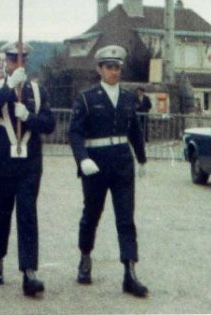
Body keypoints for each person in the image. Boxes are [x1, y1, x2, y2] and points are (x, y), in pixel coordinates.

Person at [68, 45, 149, 297]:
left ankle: (130, 272)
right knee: (92, 213)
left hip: (122, 162)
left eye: (117, 67)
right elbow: (75, 132)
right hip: (96, 163)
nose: (114, 72)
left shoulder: (127, 98)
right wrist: (82, 159)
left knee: (126, 218)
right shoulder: (87, 98)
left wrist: (142, 159)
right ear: (100, 70)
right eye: (109, 67)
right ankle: (85, 256)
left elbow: (134, 129)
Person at [0, 41, 55, 297]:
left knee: (27, 214)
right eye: (14, 60)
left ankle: (29, 271)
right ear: (7, 61)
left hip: (29, 163)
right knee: (0, 213)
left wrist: (29, 117)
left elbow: (49, 124)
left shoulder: (37, 90)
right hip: (1, 161)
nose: (18, 64)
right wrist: (9, 87)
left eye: (23, 60)